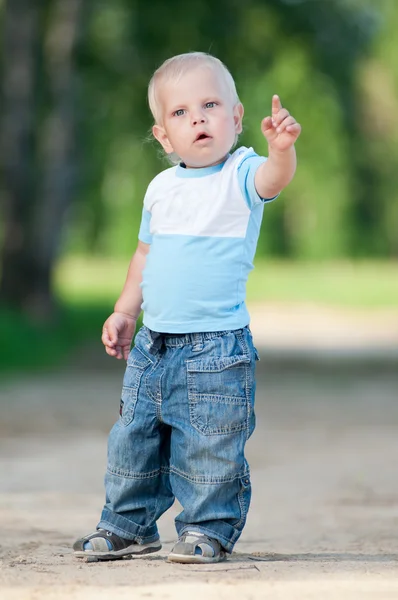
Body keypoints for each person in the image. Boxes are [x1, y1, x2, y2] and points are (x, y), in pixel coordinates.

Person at [73, 51, 301, 564]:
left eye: (210, 104)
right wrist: (125, 311)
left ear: (236, 118)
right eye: (180, 112)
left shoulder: (241, 173)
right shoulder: (161, 189)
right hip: (154, 343)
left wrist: (281, 149)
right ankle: (127, 524)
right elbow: (144, 257)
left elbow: (275, 179)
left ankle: (206, 528)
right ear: (163, 136)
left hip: (215, 348)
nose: (197, 118)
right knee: (133, 440)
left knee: (209, 447)